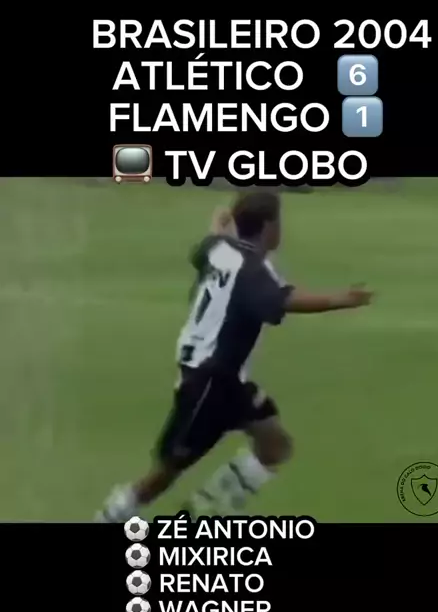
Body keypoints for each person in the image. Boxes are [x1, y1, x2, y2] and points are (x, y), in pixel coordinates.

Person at [95, 192, 373, 523]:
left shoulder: (219, 249)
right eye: (279, 222)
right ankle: (110, 518)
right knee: (166, 472)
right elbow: (283, 301)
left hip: (226, 381)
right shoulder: (253, 270)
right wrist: (343, 299)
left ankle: (202, 512)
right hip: (209, 380)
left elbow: (206, 247)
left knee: (275, 446)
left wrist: (219, 228)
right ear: (268, 227)